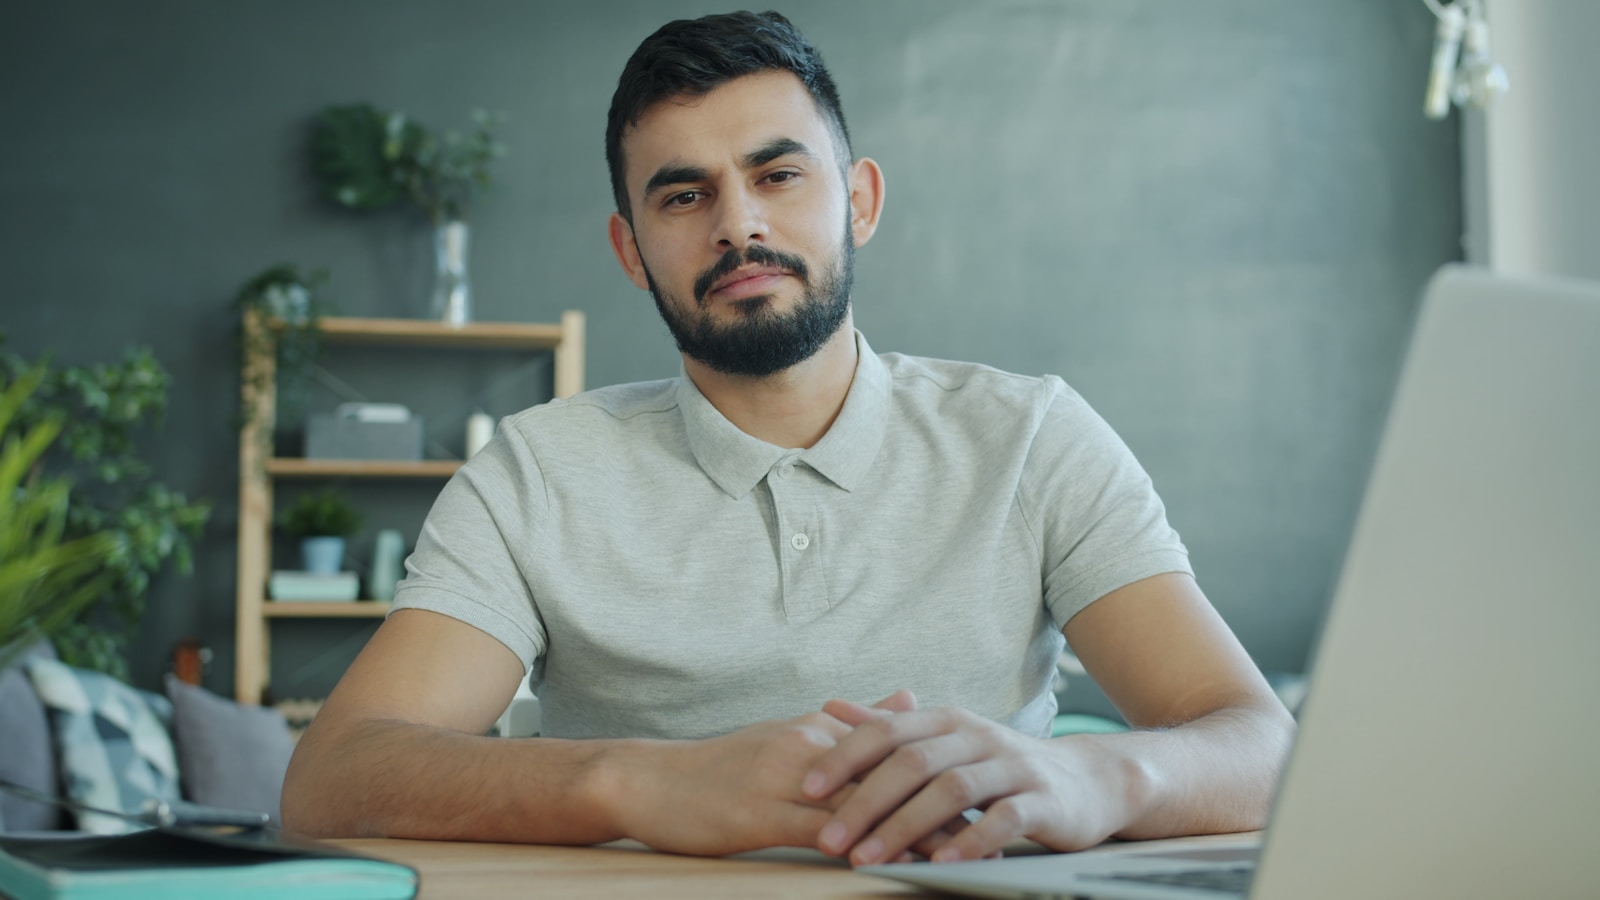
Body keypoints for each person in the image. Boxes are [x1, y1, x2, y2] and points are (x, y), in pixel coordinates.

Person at [282, 10, 1294, 866]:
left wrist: (1094, 774)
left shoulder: (1032, 438)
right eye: (684, 195)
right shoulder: (536, 474)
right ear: (630, 250)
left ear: (857, 202)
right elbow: (331, 777)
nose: (737, 225)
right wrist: (639, 783)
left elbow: (1263, 746)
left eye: (777, 176)